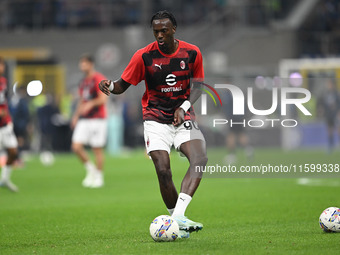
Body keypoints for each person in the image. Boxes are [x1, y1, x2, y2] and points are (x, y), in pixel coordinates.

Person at [99, 10, 208, 239]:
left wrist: (184, 107)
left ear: (173, 30)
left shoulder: (192, 52)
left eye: (164, 31)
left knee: (200, 158)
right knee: (163, 170)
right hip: (155, 118)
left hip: (183, 116)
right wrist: (109, 84)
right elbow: (122, 85)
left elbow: (198, 86)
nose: (159, 35)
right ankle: (176, 220)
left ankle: (177, 216)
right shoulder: (143, 56)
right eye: (156, 31)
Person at [71, 54, 108, 188]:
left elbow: (103, 99)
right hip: (84, 119)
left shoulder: (99, 79)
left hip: (97, 119)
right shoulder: (83, 82)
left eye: (84, 63)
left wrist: (91, 104)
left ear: (91, 64)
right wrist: (75, 116)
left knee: (96, 148)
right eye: (81, 63)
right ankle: (91, 170)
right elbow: (82, 100)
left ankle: (99, 176)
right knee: (76, 146)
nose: (82, 66)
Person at [0, 57, 19, 192]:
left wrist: (9, 118)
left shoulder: (3, 82)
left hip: (4, 124)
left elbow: (4, 103)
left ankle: (5, 179)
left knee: (13, 151)